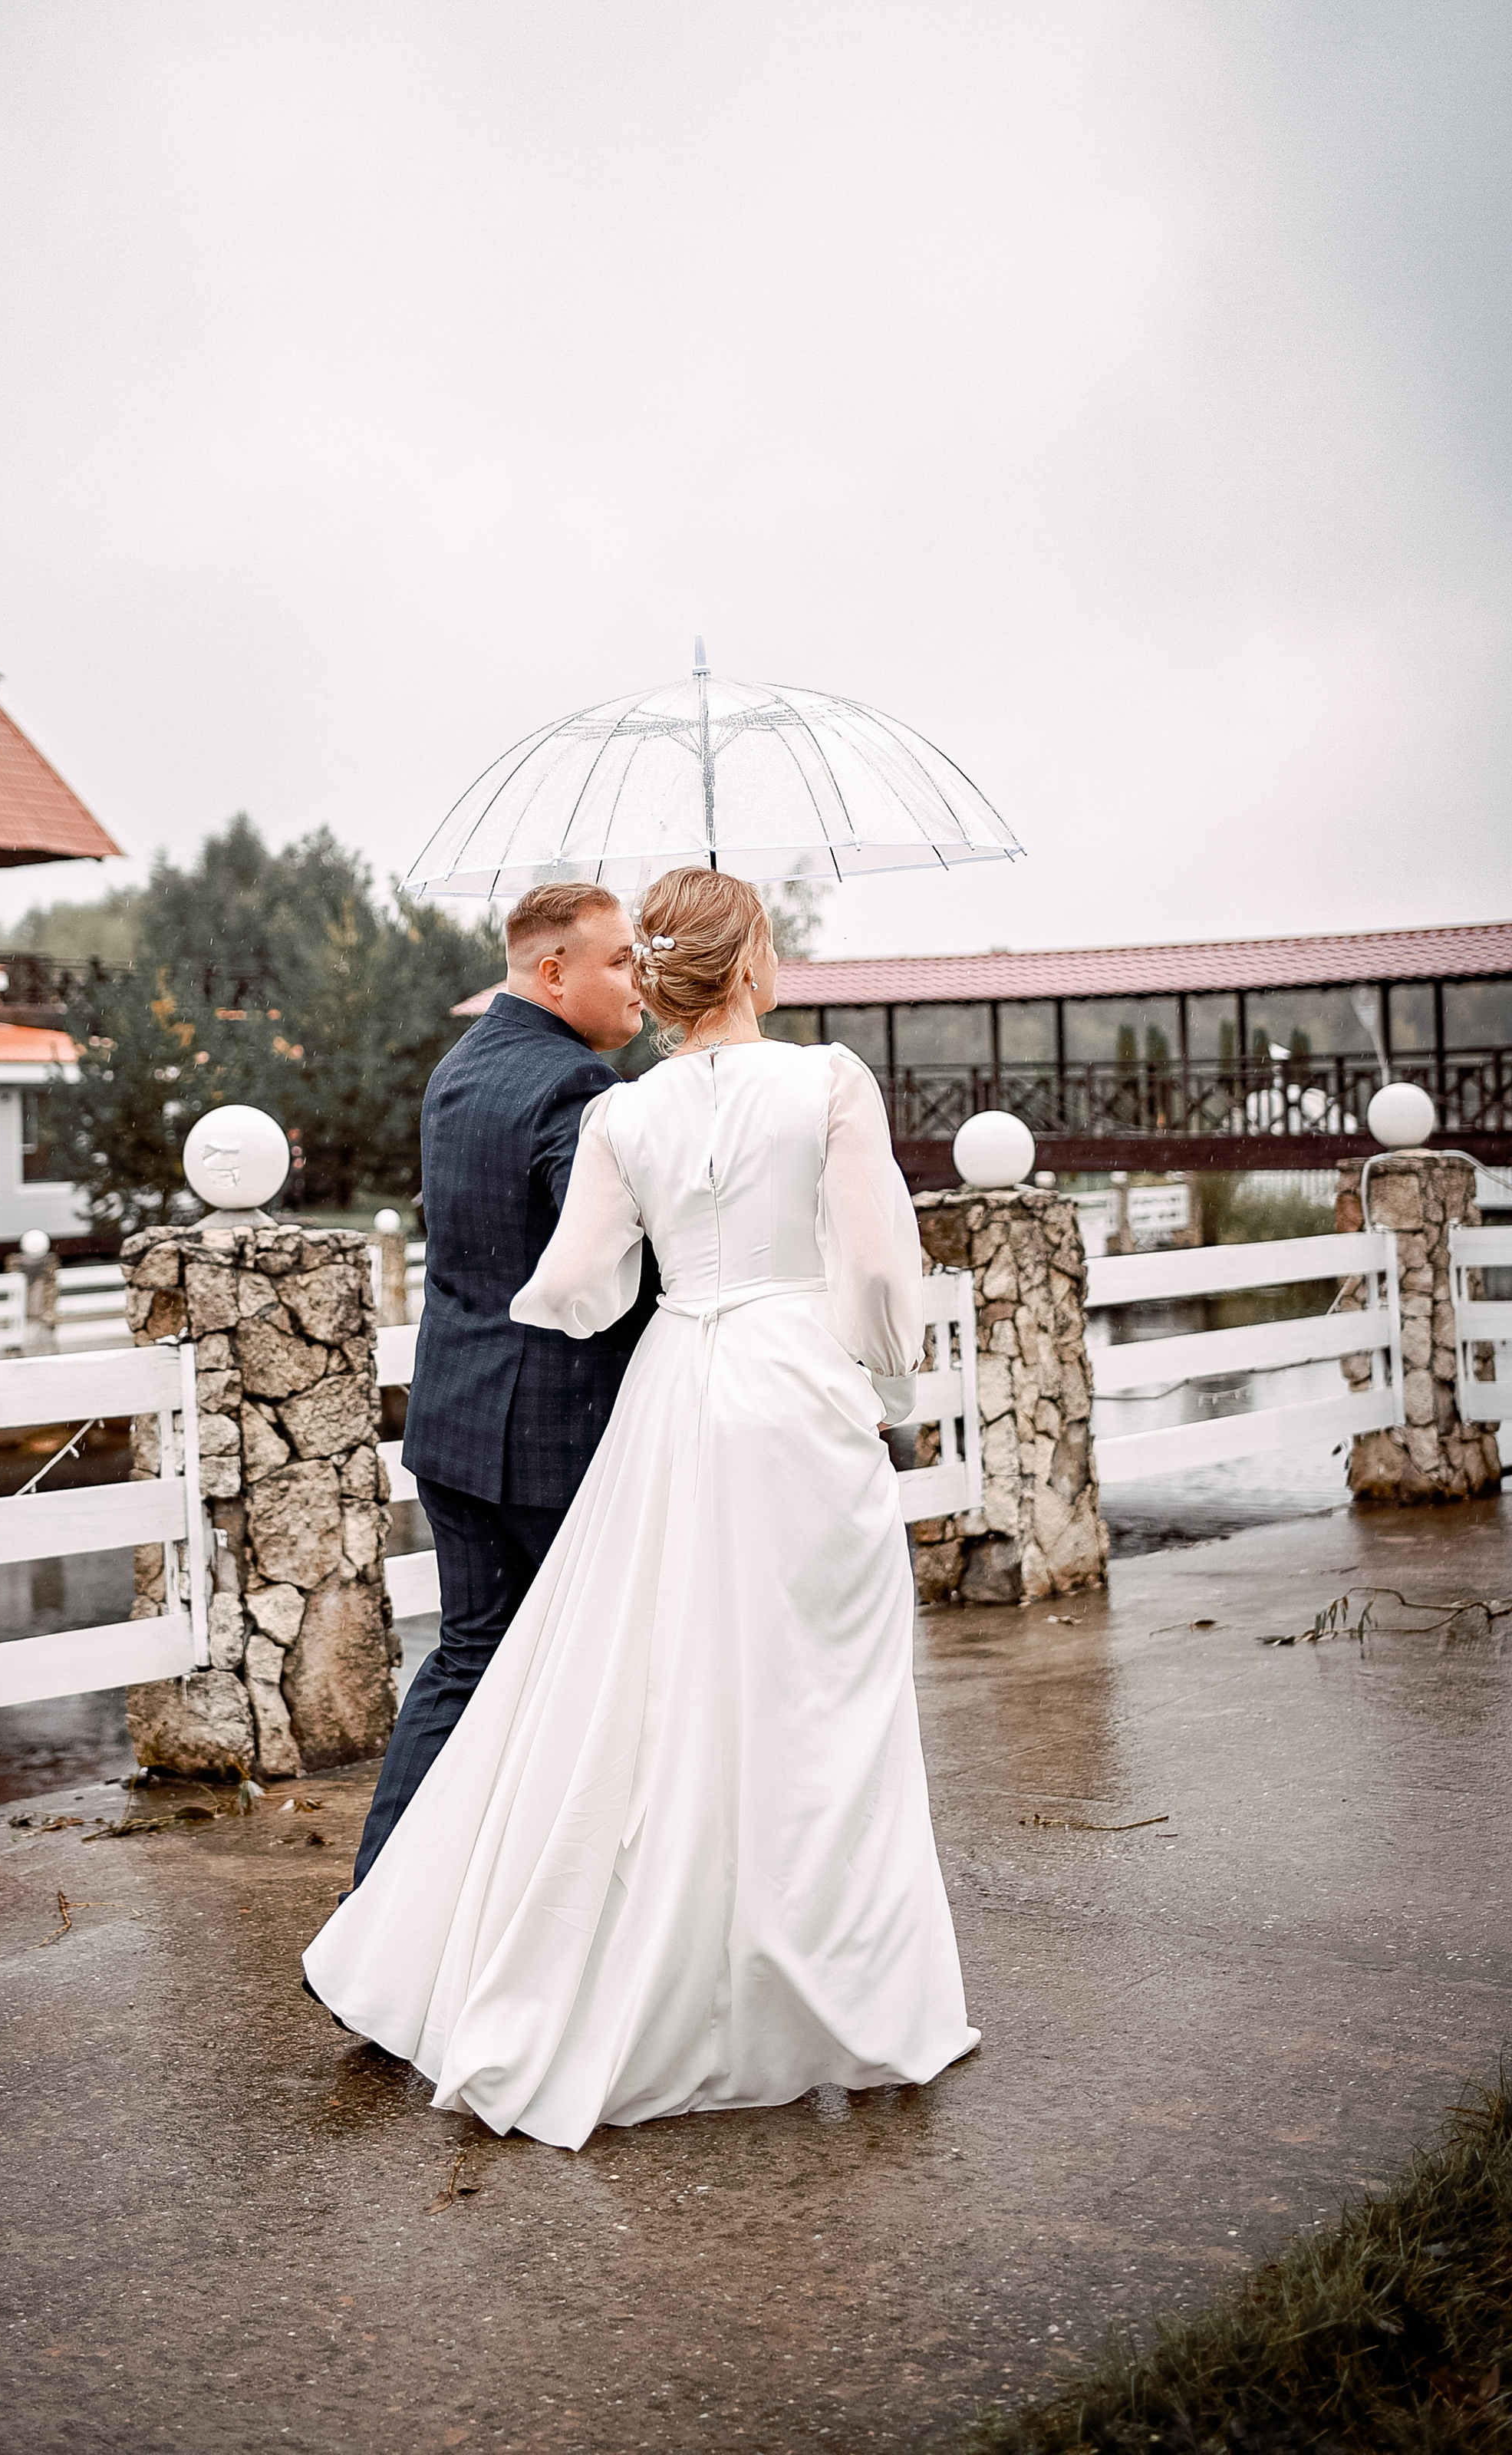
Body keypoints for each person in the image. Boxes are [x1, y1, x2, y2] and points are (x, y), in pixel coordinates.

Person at [304, 864, 979, 2150]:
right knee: (819, 1692)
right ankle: (839, 1983)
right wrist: (882, 1377)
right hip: (789, 1385)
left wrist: (676, 1286)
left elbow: (574, 1286)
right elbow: (885, 1267)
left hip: (654, 1391)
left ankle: (459, 1938)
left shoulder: (605, 1108)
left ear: (663, 975)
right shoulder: (828, 1082)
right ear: (753, 965)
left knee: (616, 1685)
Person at [350, 879, 654, 1887]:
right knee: (602, 1678)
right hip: (555, 1441)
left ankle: (379, 1906)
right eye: (620, 961)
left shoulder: (458, 1070)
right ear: (553, 969)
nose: (641, 982)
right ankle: (562, 1918)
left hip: (454, 1423)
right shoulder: (579, 1090)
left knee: (465, 1661)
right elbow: (602, 1262)